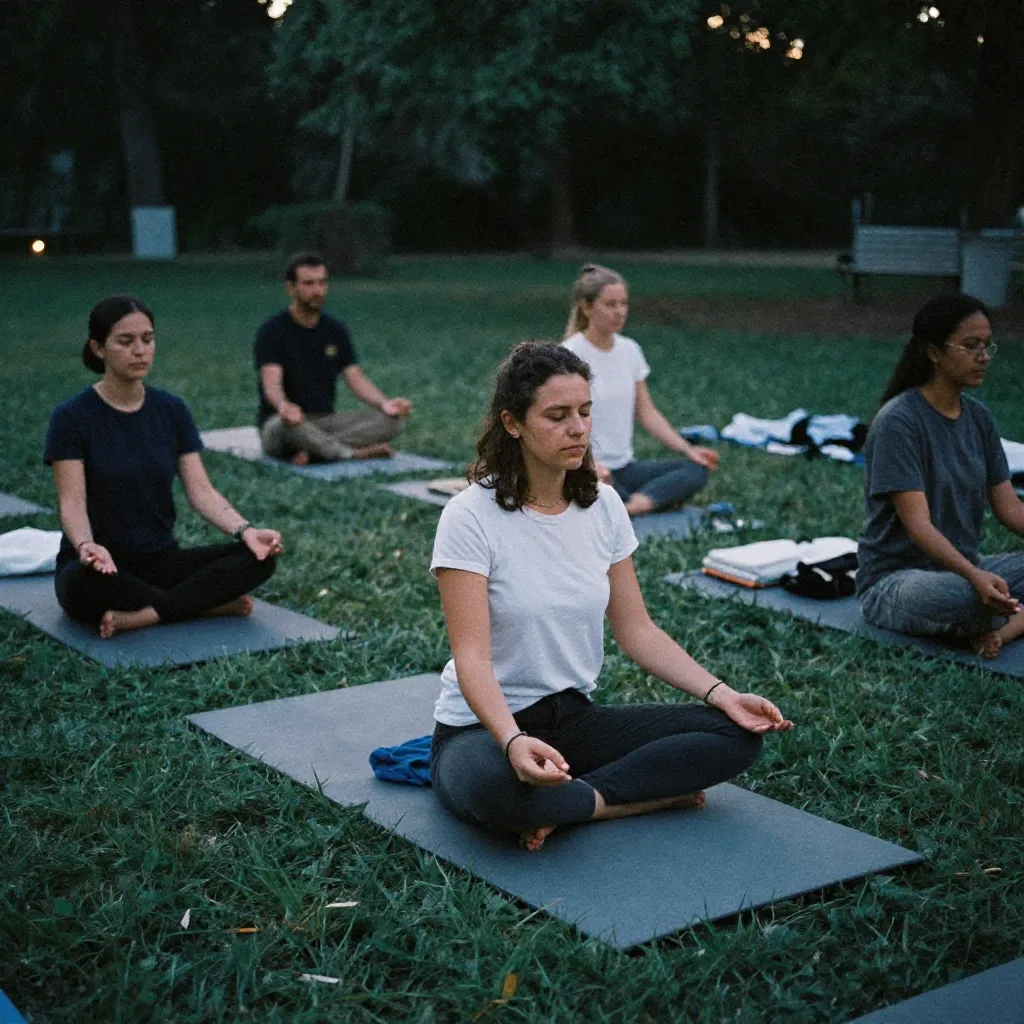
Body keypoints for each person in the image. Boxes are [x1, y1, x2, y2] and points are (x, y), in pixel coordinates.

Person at [429, 342, 791, 850]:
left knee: (735, 736)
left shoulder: (602, 506)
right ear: (513, 423)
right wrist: (511, 740)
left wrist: (724, 695)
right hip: (482, 731)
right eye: (557, 416)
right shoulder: (469, 516)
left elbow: (637, 630)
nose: (578, 428)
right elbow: (472, 657)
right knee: (495, 794)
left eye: (585, 412)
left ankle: (585, 804)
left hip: (574, 721)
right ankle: (643, 798)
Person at [45, 295, 283, 639]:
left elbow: (201, 492)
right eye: (126, 342)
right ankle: (204, 605)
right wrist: (86, 546)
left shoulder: (171, 410)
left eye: (148, 339)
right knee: (81, 586)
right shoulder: (71, 417)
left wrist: (246, 530)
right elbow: (72, 503)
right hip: (101, 566)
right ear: (98, 348)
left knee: (259, 558)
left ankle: (147, 614)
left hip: (160, 562)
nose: (140, 350)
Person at [857, 293, 1024, 658]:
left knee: (984, 591)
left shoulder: (979, 418)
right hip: (896, 582)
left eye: (987, 345)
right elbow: (919, 526)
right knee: (970, 598)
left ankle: (1000, 629)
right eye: (970, 346)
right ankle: (1003, 621)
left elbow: (1010, 509)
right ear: (934, 352)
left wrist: (975, 574)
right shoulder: (899, 422)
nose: (984, 357)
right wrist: (973, 577)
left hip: (967, 569)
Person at [562, 263, 720, 517]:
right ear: (587, 307)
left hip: (625, 469)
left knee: (696, 470)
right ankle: (644, 502)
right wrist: (590, 465)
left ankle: (633, 507)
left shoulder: (630, 350)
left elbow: (646, 412)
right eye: (610, 305)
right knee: (595, 490)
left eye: (623, 303)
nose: (620, 312)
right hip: (586, 469)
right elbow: (565, 425)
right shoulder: (570, 355)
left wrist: (688, 450)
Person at [255, 252, 413, 464]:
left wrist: (385, 404)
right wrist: (284, 406)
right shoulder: (272, 330)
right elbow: (271, 382)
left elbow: (355, 377)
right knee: (288, 427)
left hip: (325, 420)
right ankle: (352, 453)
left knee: (393, 423)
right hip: (285, 423)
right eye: (309, 283)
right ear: (291, 288)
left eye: (322, 283)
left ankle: (316, 451)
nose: (317, 291)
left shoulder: (335, 330)